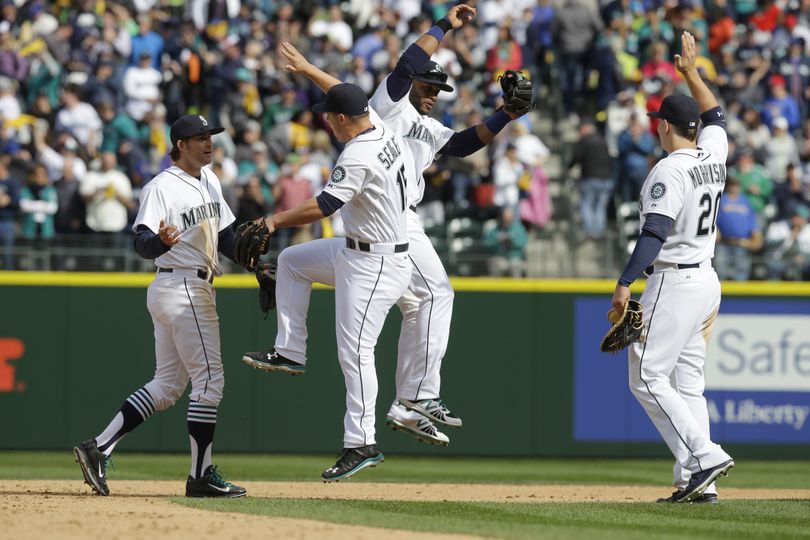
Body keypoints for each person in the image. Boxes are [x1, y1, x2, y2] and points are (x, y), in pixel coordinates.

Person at [265, 5, 531, 447]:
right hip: (392, 221)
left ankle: (412, 400)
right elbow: (401, 66)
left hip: (396, 219)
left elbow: (464, 144)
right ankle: (415, 399)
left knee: (423, 301)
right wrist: (445, 25)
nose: (434, 93)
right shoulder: (387, 107)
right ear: (411, 85)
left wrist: (506, 114)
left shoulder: (426, 125)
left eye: (440, 88)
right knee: (434, 294)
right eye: (428, 85)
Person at [241, 83, 416, 482]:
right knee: (292, 261)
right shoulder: (382, 127)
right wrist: (303, 71)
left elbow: (324, 206)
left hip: (376, 262)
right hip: (358, 250)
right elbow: (352, 97)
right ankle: (290, 351)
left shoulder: (358, 154)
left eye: (328, 115)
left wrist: (271, 221)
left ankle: (361, 443)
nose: (324, 121)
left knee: (355, 352)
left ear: (340, 119)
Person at [73, 114, 246, 499]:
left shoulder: (211, 180)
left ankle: (97, 447)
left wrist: (257, 263)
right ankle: (200, 476)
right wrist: (161, 243)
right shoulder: (161, 186)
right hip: (182, 284)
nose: (208, 143)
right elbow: (140, 242)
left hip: (187, 284)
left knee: (168, 386)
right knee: (210, 382)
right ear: (180, 145)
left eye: (210, 136)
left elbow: (226, 236)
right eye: (199, 137)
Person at [609, 32, 734, 504]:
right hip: (707, 280)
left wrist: (624, 285)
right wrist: (692, 74)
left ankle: (704, 456)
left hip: (676, 278)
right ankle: (697, 482)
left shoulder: (670, 169)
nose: (656, 126)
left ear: (665, 127)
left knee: (645, 376)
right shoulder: (713, 153)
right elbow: (716, 115)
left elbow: (654, 234)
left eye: (658, 121)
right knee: (688, 385)